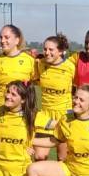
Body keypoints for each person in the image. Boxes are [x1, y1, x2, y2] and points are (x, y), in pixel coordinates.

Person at [0, 81, 38, 176]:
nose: (8, 96)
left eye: (13, 94)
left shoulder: (32, 116)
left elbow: (59, 131)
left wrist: (33, 143)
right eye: (7, 92)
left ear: (23, 100)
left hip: (21, 171)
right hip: (0, 170)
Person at [33, 33, 75, 161]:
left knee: (63, 158)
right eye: (45, 49)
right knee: (39, 156)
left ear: (61, 51)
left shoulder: (70, 67)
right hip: (45, 115)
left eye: (51, 49)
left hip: (64, 116)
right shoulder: (40, 65)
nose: (47, 52)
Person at [0, 25, 38, 108]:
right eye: (1, 37)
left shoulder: (29, 60)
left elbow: (37, 83)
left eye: (6, 37)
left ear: (17, 40)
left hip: (23, 112)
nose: (2, 41)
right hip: (1, 111)